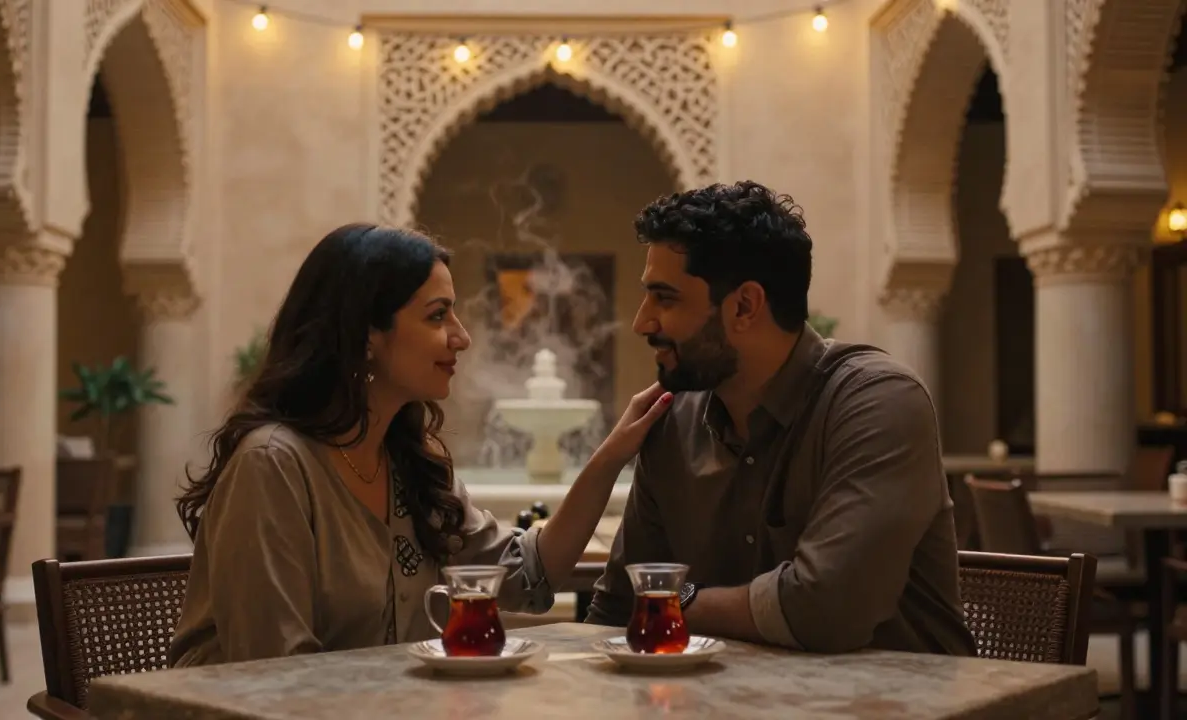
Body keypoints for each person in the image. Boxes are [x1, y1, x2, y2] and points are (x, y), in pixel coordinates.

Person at [169, 223, 671, 667]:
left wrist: (611, 455)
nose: (462, 337)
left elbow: (530, 580)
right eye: (437, 317)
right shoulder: (272, 466)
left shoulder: (409, 462)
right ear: (367, 334)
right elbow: (274, 673)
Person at [584, 181, 977, 656]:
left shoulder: (877, 402)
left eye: (665, 298)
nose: (642, 322)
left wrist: (674, 601)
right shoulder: (670, 421)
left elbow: (826, 610)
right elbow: (619, 609)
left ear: (745, 306)